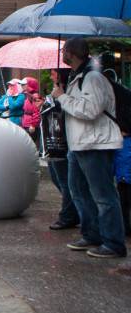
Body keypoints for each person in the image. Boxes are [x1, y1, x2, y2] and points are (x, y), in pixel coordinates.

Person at [52, 37, 126, 258]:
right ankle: (92, 234)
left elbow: (90, 111)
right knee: (78, 190)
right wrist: (61, 93)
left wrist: (63, 97)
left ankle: (113, 243)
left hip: (95, 144)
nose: (63, 54)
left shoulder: (92, 78)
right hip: (80, 144)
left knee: (103, 194)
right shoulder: (78, 77)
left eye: (65, 50)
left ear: (72, 53)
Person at [42, 68, 78, 231]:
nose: (51, 75)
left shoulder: (68, 90)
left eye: (53, 72)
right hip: (53, 141)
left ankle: (68, 214)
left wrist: (60, 98)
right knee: (58, 179)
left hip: (63, 142)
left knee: (65, 181)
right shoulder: (56, 91)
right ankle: (72, 210)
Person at [21, 77, 43, 148]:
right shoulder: (27, 95)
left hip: (31, 126)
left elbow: (36, 112)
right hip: (26, 124)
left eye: (24, 84)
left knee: (30, 146)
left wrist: (33, 125)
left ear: (29, 85)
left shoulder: (35, 96)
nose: (22, 86)